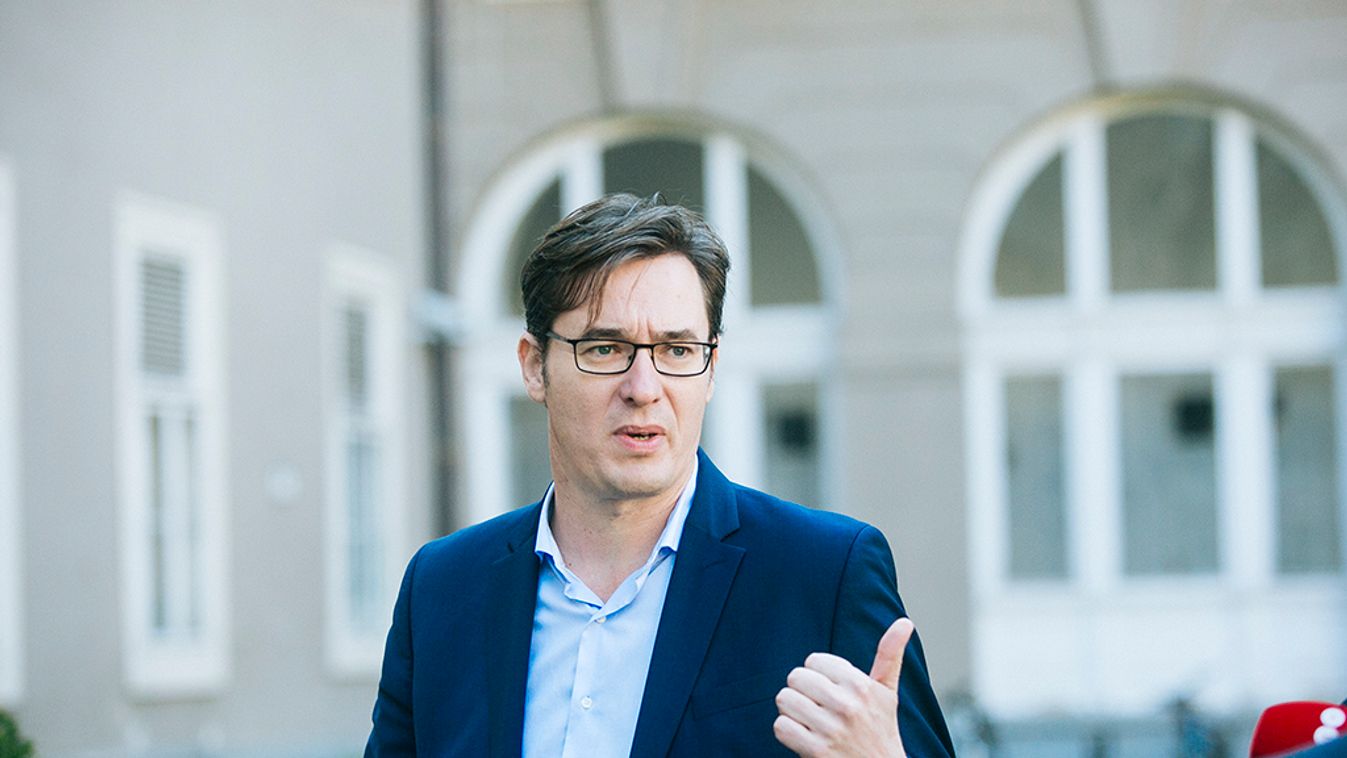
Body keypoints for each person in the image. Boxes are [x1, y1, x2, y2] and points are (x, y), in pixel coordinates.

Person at [364, 193, 954, 757]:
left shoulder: (823, 574)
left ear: (711, 369)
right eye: (604, 349)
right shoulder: (442, 590)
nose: (644, 389)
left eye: (676, 351)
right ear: (534, 366)